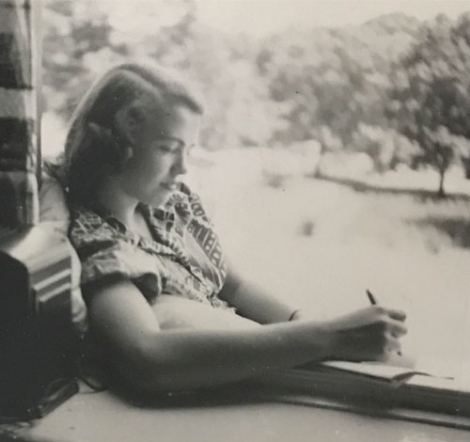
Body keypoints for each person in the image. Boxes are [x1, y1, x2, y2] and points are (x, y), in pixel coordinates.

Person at [51, 62, 407, 394]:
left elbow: (233, 284)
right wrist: (332, 337)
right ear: (116, 143)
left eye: (188, 149)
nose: (183, 167)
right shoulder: (100, 243)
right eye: (168, 149)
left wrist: (304, 321)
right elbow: (148, 356)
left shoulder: (171, 206)